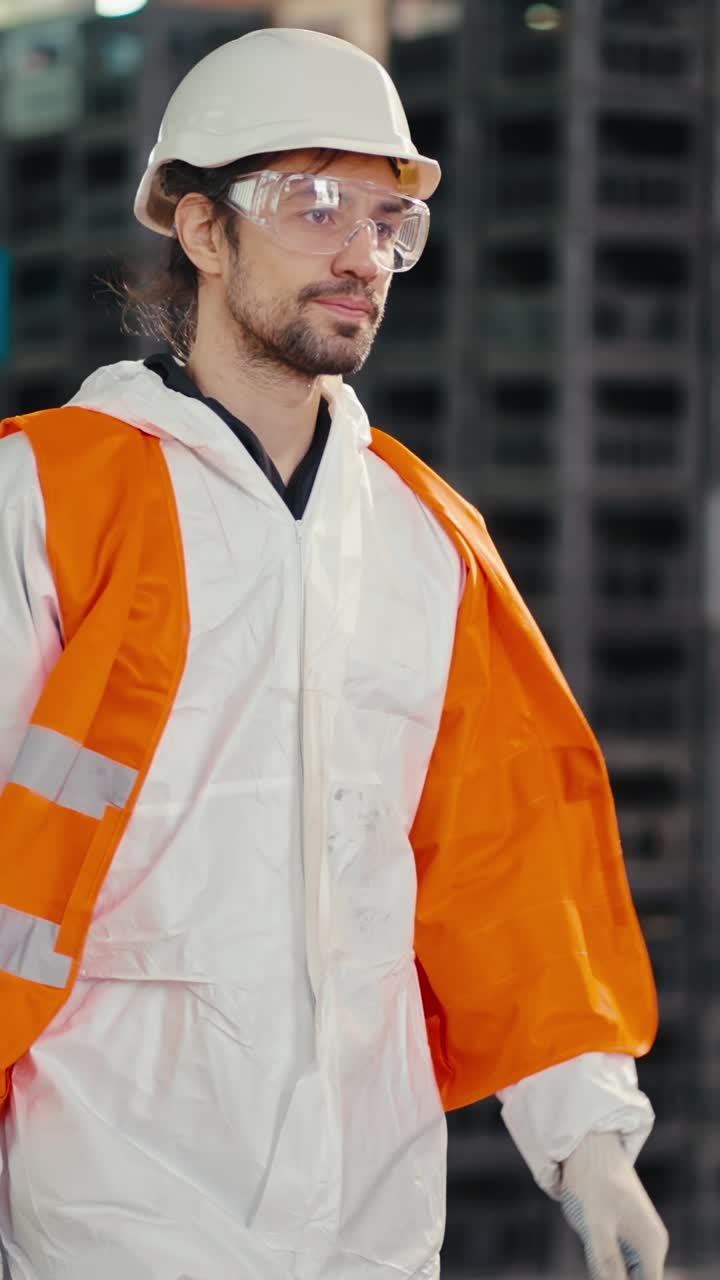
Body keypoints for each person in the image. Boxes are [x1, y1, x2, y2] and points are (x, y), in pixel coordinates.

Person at [0, 26, 669, 1280]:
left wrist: (588, 1136)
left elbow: (506, 862)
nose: (364, 253)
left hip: (372, 1223)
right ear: (203, 230)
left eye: (388, 220)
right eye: (316, 206)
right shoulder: (47, 499)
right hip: (112, 1209)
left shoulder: (425, 539)